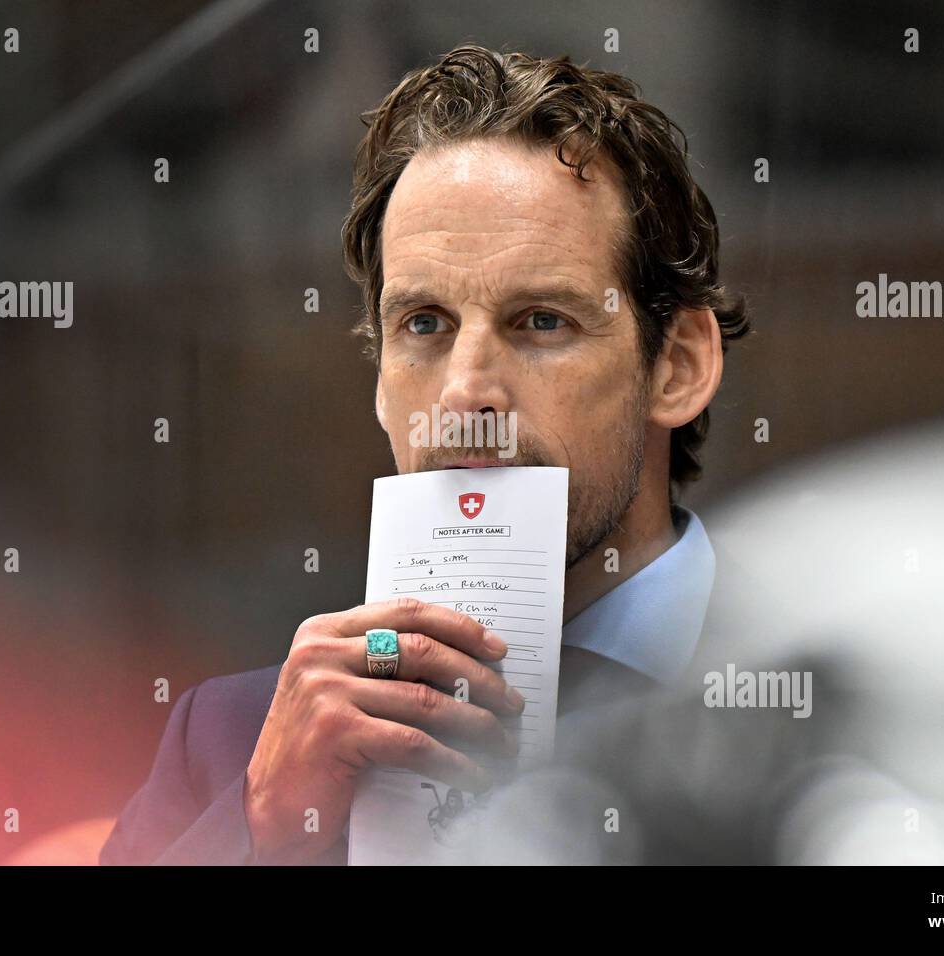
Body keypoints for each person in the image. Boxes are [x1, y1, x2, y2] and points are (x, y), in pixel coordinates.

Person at [101, 43, 748, 866]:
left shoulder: (829, 695)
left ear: (679, 365)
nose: (464, 394)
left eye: (542, 320)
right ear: (378, 382)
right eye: (425, 326)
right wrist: (270, 836)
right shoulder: (230, 742)